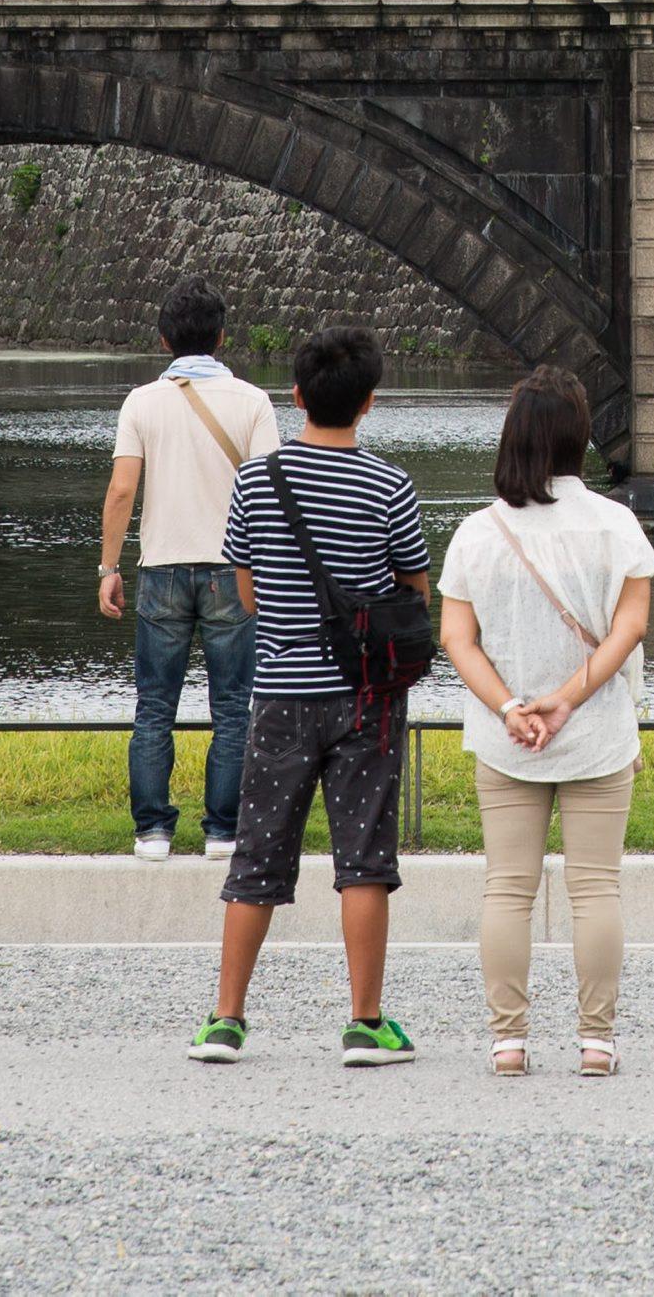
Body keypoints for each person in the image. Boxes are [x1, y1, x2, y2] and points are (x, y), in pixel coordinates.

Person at [197, 325, 433, 1067]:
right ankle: (365, 1022)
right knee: (363, 858)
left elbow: (246, 591)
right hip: (365, 698)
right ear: (369, 404)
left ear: (295, 396)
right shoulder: (389, 486)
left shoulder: (256, 482)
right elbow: (414, 593)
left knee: (258, 856)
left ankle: (226, 1020)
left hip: (279, 695)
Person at [440, 365, 654, 1077]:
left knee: (508, 887)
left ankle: (509, 1042)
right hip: (594, 731)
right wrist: (568, 699)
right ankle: (596, 1041)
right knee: (595, 888)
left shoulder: (478, 532)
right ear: (579, 437)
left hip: (507, 739)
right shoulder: (614, 524)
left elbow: (457, 640)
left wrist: (510, 705)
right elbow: (629, 628)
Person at [100, 280, 282, 859]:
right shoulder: (253, 402)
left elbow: (122, 490)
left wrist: (109, 566)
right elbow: (269, 495)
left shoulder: (141, 402)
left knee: (154, 705)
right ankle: (223, 830)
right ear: (222, 337)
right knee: (233, 705)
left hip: (163, 570)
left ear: (163, 339)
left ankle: (152, 829)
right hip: (235, 569)